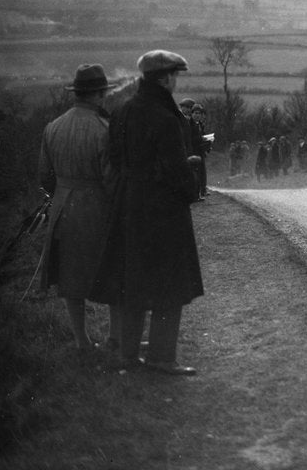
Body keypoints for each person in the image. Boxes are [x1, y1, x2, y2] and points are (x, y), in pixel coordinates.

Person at [91, 50, 204, 375]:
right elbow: (175, 172)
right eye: (175, 76)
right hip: (163, 211)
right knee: (170, 285)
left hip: (128, 207)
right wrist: (191, 184)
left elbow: (114, 159)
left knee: (132, 282)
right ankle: (161, 357)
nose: (176, 81)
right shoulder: (167, 117)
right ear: (165, 78)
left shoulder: (123, 110)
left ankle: (128, 355)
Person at [38, 64, 118, 353]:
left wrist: (62, 191)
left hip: (63, 208)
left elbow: (44, 175)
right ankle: (115, 338)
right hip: (97, 208)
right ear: (98, 94)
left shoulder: (53, 127)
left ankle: (81, 340)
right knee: (113, 270)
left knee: (70, 276)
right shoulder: (105, 129)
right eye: (103, 92)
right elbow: (111, 178)